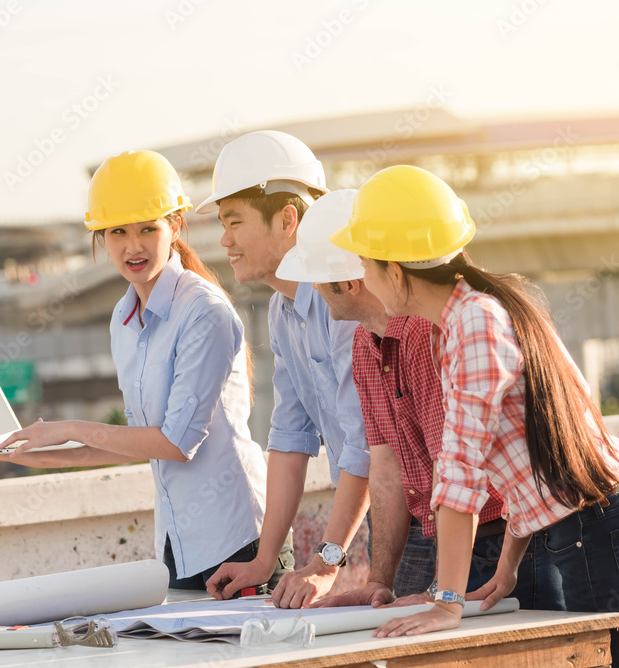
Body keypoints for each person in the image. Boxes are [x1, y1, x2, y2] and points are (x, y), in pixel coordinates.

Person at [329, 164, 619, 639]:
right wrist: (508, 564)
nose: (361, 277)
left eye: (364, 263)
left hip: (593, 532)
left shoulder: (474, 325)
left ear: (395, 274)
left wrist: (447, 602)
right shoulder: (471, 317)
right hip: (587, 529)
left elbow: (460, 473)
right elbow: (532, 460)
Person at [0, 150, 292, 590]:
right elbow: (140, 440)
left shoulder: (203, 312)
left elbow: (175, 443)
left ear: (174, 226)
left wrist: (70, 427)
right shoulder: (123, 317)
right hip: (177, 545)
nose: (132, 246)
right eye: (117, 232)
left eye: (147, 229)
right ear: (100, 236)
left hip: (239, 543)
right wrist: (41, 455)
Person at [288, 189, 560, 611]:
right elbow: (385, 464)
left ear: (348, 282)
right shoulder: (365, 342)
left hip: (507, 544)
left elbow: (454, 470)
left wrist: (442, 595)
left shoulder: (434, 333)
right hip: (465, 544)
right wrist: (379, 580)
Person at [199, 131, 371, 608]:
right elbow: (290, 438)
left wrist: (327, 562)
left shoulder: (345, 301)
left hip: (449, 514)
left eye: (235, 222)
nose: (224, 239)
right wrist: (264, 559)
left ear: (287, 220)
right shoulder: (282, 311)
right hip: (395, 512)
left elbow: (366, 443)